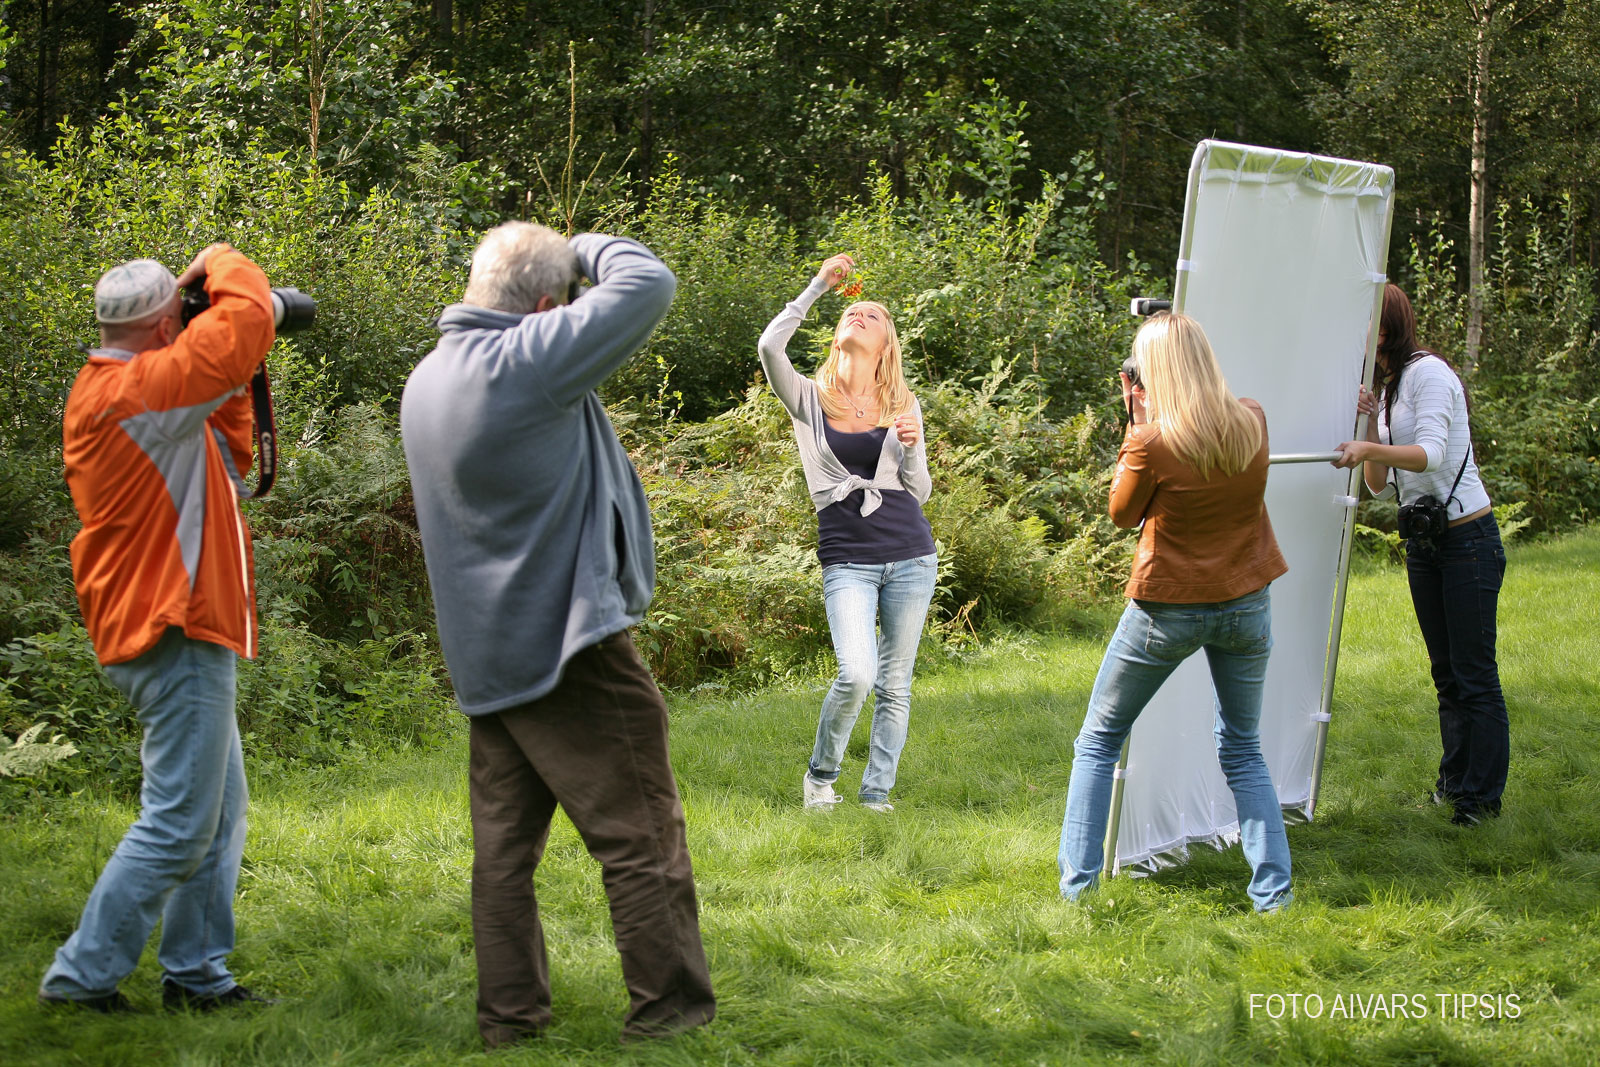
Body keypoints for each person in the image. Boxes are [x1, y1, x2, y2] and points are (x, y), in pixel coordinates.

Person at [400, 223, 715, 1048]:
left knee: (504, 853)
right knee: (641, 832)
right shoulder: (524, 360)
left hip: (489, 657)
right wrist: (585, 243)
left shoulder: (428, 379)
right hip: (570, 647)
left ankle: (509, 1021)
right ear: (546, 308)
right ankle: (671, 1015)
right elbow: (649, 282)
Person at [41, 244, 277, 1012]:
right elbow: (244, 324)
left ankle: (197, 976)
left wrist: (216, 359)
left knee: (218, 812)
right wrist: (223, 262)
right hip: (171, 625)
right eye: (179, 319)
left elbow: (228, 449)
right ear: (162, 327)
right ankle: (81, 980)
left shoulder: (132, 391)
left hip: (168, 620)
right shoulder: (139, 393)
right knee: (179, 823)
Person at [1058, 312, 1293, 912]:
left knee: (1098, 740)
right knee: (1243, 748)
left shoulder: (1152, 442)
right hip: (1246, 602)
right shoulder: (1252, 419)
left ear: (1152, 373)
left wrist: (1134, 421)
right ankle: (1273, 895)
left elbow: (1121, 515)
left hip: (1167, 611)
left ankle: (1079, 894)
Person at [758, 253, 937, 813]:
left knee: (895, 684)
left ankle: (876, 795)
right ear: (838, 336)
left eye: (873, 316)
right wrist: (817, 286)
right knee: (857, 674)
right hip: (848, 561)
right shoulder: (808, 398)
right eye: (853, 312)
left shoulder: (903, 404)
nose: (860, 314)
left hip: (912, 555)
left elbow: (920, 490)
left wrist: (911, 448)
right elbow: (769, 348)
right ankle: (820, 777)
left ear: (885, 346)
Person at [1334, 284, 1508, 826]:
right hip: (1426, 546)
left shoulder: (1429, 373)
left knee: (1474, 675)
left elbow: (1430, 455)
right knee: (1446, 675)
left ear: (1385, 328)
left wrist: (1368, 445)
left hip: (1468, 541)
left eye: (1363, 323)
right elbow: (1379, 484)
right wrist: (1369, 425)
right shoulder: (1387, 388)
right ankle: (1453, 787)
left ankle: (1480, 802)